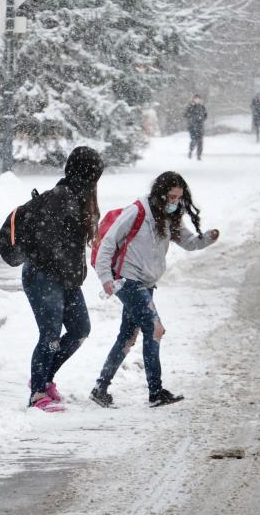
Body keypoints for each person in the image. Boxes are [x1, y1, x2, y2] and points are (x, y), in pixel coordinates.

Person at [91, 171, 219, 408]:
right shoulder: (137, 211)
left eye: (178, 198)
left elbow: (189, 243)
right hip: (127, 280)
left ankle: (100, 387)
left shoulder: (169, 218)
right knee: (154, 329)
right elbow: (108, 242)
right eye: (170, 197)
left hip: (146, 283)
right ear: (159, 193)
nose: (174, 202)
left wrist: (208, 238)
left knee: (127, 336)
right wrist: (105, 277)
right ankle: (155, 391)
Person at [21, 146, 104, 412]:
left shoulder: (80, 198)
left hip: (66, 278)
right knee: (50, 335)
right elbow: (46, 242)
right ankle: (36, 394)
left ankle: (44, 379)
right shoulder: (60, 198)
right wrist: (60, 262)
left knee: (80, 329)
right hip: (43, 276)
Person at [184, 95, 208, 160]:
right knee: (194, 140)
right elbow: (185, 115)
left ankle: (199, 155)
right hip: (192, 126)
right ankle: (190, 151)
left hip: (200, 126)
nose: (197, 100)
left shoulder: (202, 107)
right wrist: (192, 119)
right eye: (196, 99)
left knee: (200, 141)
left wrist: (201, 120)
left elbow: (205, 115)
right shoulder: (190, 107)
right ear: (193, 99)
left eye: (198, 99)